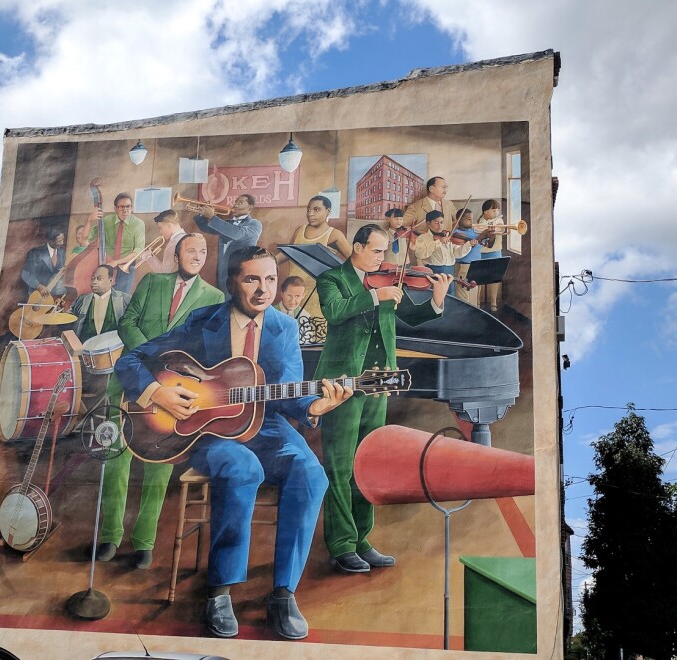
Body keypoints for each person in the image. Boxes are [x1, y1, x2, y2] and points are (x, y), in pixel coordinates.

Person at [114, 246, 352, 640]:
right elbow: (130, 360)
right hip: (210, 431)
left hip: (268, 425)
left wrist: (315, 406)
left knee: (312, 475)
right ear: (231, 283)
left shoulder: (284, 327)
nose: (263, 290)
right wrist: (159, 393)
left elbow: (288, 392)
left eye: (271, 280)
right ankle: (220, 593)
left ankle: (283, 594)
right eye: (252, 279)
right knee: (243, 468)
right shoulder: (203, 320)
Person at [314, 224, 453, 574]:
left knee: (367, 463)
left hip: (379, 384)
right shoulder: (332, 279)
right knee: (340, 466)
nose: (382, 258)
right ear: (357, 248)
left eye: (385, 251)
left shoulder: (386, 281)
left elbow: (411, 316)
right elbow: (335, 311)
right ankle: (342, 544)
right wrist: (376, 296)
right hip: (342, 385)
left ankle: (362, 539)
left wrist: (436, 301)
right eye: (376, 251)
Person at [96, 234, 224, 570]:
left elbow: (204, 347)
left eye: (203, 252)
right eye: (191, 250)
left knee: (160, 461)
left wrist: (166, 370)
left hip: (173, 387)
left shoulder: (214, 297)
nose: (197, 256)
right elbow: (127, 323)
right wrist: (150, 358)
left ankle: (144, 542)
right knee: (116, 457)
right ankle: (110, 536)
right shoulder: (152, 281)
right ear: (177, 255)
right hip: (128, 382)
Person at [279, 195, 352, 321]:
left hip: (317, 295)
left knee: (314, 327)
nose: (310, 214)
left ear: (328, 211)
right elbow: (289, 253)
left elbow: (355, 261)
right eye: (308, 210)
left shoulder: (334, 235)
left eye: (316, 209)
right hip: (295, 294)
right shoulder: (300, 230)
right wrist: (268, 262)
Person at [194, 194, 262, 299]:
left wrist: (212, 217)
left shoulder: (255, 224)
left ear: (250, 207)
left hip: (240, 273)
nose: (236, 205)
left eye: (240, 202)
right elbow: (205, 228)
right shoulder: (227, 224)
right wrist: (201, 213)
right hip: (222, 273)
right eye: (235, 202)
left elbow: (237, 234)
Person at [87, 192, 146, 293]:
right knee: (104, 295)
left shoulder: (138, 224)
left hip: (127, 264)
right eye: (121, 207)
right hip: (107, 263)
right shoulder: (106, 221)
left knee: (121, 296)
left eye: (128, 206)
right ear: (115, 208)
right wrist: (89, 220)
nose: (125, 210)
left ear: (131, 207)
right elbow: (88, 236)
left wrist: (116, 262)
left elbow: (138, 250)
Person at [412, 210, 474, 295]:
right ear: (428, 224)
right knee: (436, 295)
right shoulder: (422, 238)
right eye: (436, 223)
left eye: (441, 222)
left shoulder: (447, 236)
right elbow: (420, 254)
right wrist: (438, 242)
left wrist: (469, 245)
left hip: (450, 271)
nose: (440, 225)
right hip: (434, 271)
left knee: (450, 295)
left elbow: (457, 253)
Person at [69, 265, 130, 343]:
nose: (94, 282)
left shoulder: (125, 299)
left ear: (111, 280)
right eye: (93, 278)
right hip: (84, 348)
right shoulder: (81, 299)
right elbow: (68, 321)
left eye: (99, 278)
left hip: (115, 348)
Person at [20, 226, 67, 298]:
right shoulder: (35, 253)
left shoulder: (62, 252)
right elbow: (26, 274)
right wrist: (39, 286)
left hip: (56, 295)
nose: (62, 243)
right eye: (59, 241)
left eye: (63, 239)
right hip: (38, 295)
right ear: (50, 241)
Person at [453, 209, 485, 307]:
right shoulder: (456, 233)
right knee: (463, 295)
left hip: (476, 265)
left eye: (472, 219)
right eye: (468, 219)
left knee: (473, 296)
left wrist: (491, 234)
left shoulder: (474, 231)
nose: (471, 222)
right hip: (464, 266)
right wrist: (482, 235)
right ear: (459, 220)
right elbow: (472, 243)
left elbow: (489, 244)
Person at [477, 199, 504, 312]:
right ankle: (477, 302)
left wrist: (494, 227)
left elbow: (501, 229)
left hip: (495, 251)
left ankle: (493, 302)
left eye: (497, 210)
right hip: (481, 252)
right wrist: (486, 227)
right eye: (493, 210)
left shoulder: (499, 220)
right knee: (479, 278)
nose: (496, 212)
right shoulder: (480, 221)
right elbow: (478, 232)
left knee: (495, 277)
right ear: (485, 211)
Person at [142, 210, 186, 274]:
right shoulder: (186, 237)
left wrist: (148, 257)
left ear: (169, 225)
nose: (160, 232)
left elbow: (163, 272)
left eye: (160, 228)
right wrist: (152, 256)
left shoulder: (173, 244)